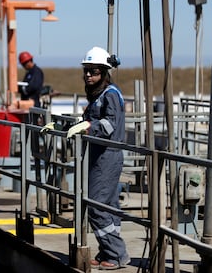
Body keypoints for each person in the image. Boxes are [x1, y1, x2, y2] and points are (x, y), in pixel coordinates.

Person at [67, 46, 130, 270]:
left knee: (95, 205)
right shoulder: (100, 95)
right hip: (98, 154)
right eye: (86, 71)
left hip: (107, 156)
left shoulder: (110, 95)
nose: (88, 75)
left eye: (93, 71)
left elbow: (108, 125)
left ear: (104, 73)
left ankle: (117, 254)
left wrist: (87, 128)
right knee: (109, 206)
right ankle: (108, 251)